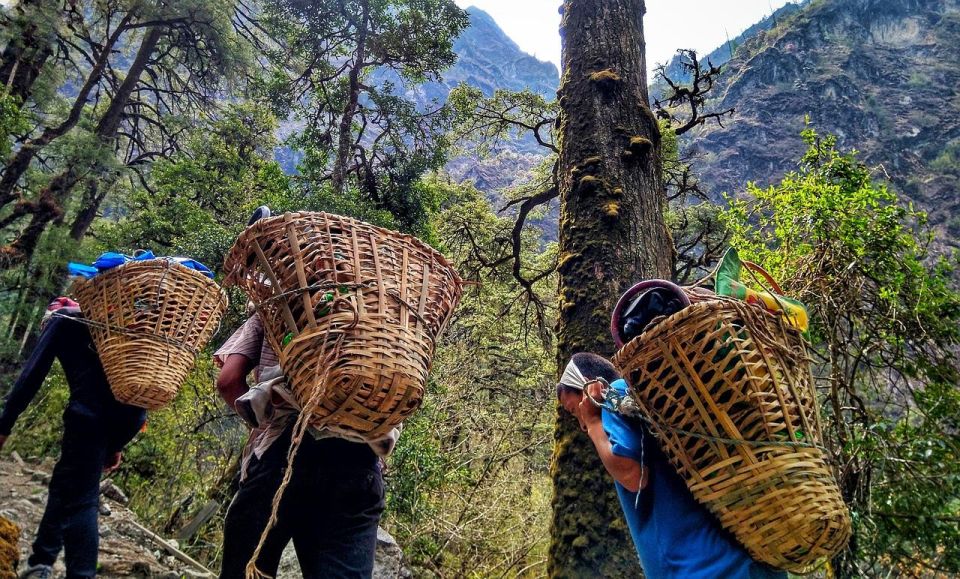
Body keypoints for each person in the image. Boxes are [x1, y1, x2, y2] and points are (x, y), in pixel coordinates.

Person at [557, 352, 787, 579]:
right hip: (754, 561)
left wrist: (594, 422)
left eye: (574, 410)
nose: (580, 424)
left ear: (589, 388)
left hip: (700, 567)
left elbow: (633, 476)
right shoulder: (644, 397)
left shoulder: (615, 393)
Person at [214, 311, 399, 579]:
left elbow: (228, 381)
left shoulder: (277, 304)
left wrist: (260, 421)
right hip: (357, 462)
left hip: (282, 454)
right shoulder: (389, 316)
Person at [0, 298, 146, 579]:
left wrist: (5, 424)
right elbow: (136, 402)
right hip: (123, 421)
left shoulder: (63, 320)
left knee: (82, 499)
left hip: (86, 419)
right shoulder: (126, 329)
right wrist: (116, 444)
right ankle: (41, 559)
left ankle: (79, 573)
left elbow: (30, 376)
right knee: (67, 480)